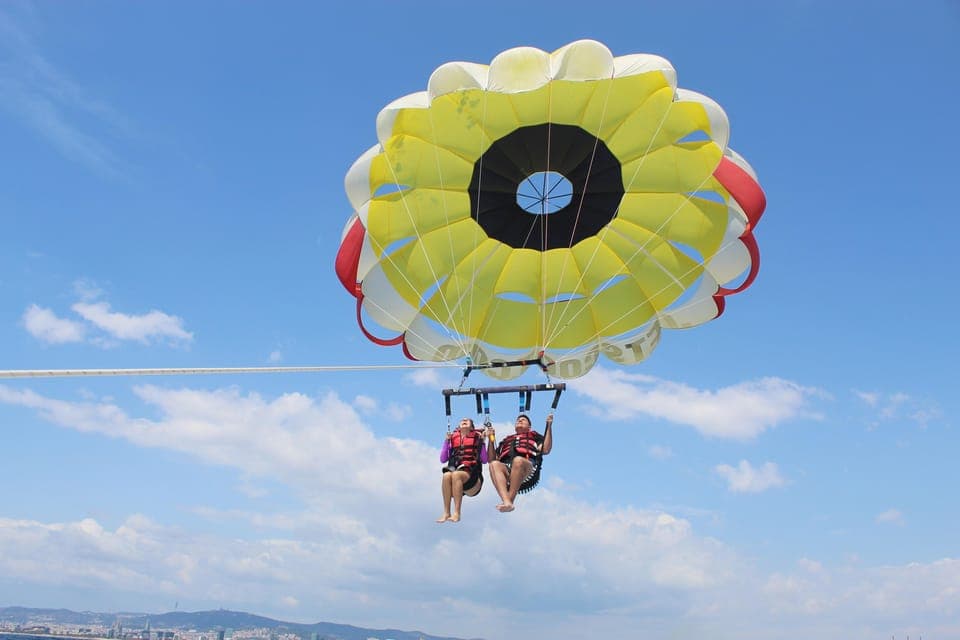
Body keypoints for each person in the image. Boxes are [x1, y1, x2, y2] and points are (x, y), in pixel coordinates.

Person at [486, 413, 553, 513]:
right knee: (494, 464)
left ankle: (510, 500)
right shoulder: (506, 440)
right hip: (508, 470)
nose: (520, 421)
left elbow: (546, 449)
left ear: (529, 427)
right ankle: (506, 501)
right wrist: (491, 439)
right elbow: (491, 459)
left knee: (518, 460)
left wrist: (548, 426)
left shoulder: (535, 437)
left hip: (527, 468)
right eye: (518, 420)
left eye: (523, 420)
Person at [436, 417, 489, 523]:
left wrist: (482, 442)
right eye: (462, 420)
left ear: (472, 427)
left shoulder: (477, 438)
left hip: (473, 478)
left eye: (467, 420)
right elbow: (443, 459)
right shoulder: (453, 438)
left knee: (456, 475)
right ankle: (446, 512)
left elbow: (484, 460)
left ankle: (457, 513)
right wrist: (446, 441)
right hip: (457, 477)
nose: (464, 420)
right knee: (446, 475)